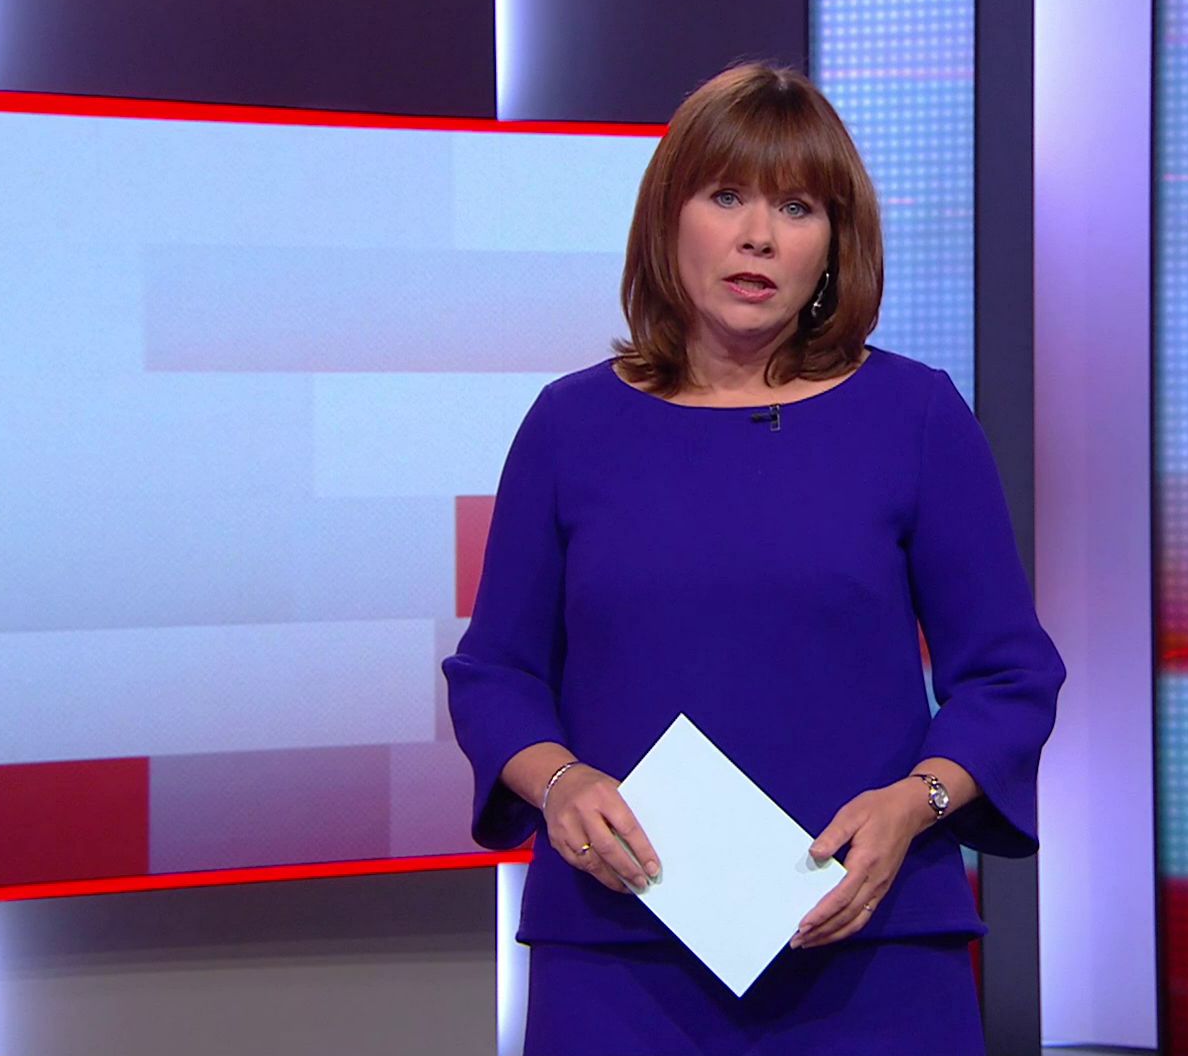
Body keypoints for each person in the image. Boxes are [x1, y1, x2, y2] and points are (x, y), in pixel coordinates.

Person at [443, 62, 1065, 1056]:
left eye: (797, 207)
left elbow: (1008, 674)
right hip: (617, 951)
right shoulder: (571, 426)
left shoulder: (914, 418)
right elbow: (496, 674)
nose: (759, 236)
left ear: (835, 245)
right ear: (668, 220)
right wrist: (559, 783)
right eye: (727, 196)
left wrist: (915, 805)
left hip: (872, 944)